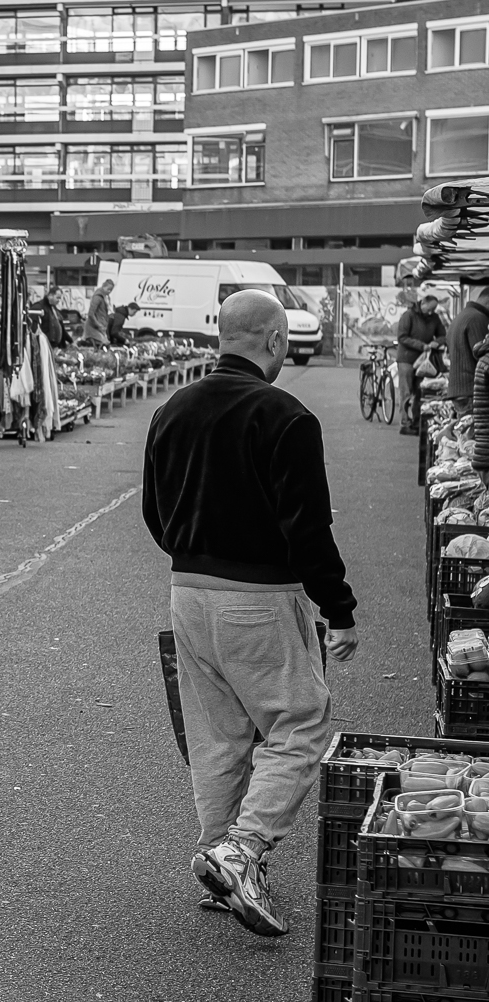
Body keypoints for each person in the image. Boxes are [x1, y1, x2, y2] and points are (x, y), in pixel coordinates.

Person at [141, 290, 358, 938]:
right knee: (299, 724)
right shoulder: (285, 416)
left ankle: (220, 861)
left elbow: (154, 511)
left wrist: (192, 551)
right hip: (259, 596)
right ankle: (242, 849)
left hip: (187, 590)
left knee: (218, 737)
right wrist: (336, 607)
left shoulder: (171, 409)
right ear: (272, 341)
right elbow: (306, 525)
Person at [394, 285, 446, 435]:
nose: (430, 312)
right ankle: (405, 423)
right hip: (406, 360)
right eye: (428, 309)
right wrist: (422, 346)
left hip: (424, 362)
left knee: (420, 392)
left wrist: (438, 342)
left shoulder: (434, 318)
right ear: (422, 303)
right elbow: (402, 337)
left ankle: (417, 421)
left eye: (433, 310)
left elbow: (443, 335)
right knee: (406, 392)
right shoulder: (408, 316)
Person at [446, 285, 489, 414]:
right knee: (473, 432)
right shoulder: (478, 319)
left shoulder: (461, 316)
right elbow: (483, 357)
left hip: (459, 390)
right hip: (471, 391)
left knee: (465, 431)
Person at [81, 277, 114, 347]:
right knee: (102, 345)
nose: (109, 291)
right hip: (93, 327)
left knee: (104, 345)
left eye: (111, 290)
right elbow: (91, 314)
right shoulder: (97, 297)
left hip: (99, 326)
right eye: (108, 289)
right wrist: (98, 325)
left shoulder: (104, 297)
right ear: (103, 286)